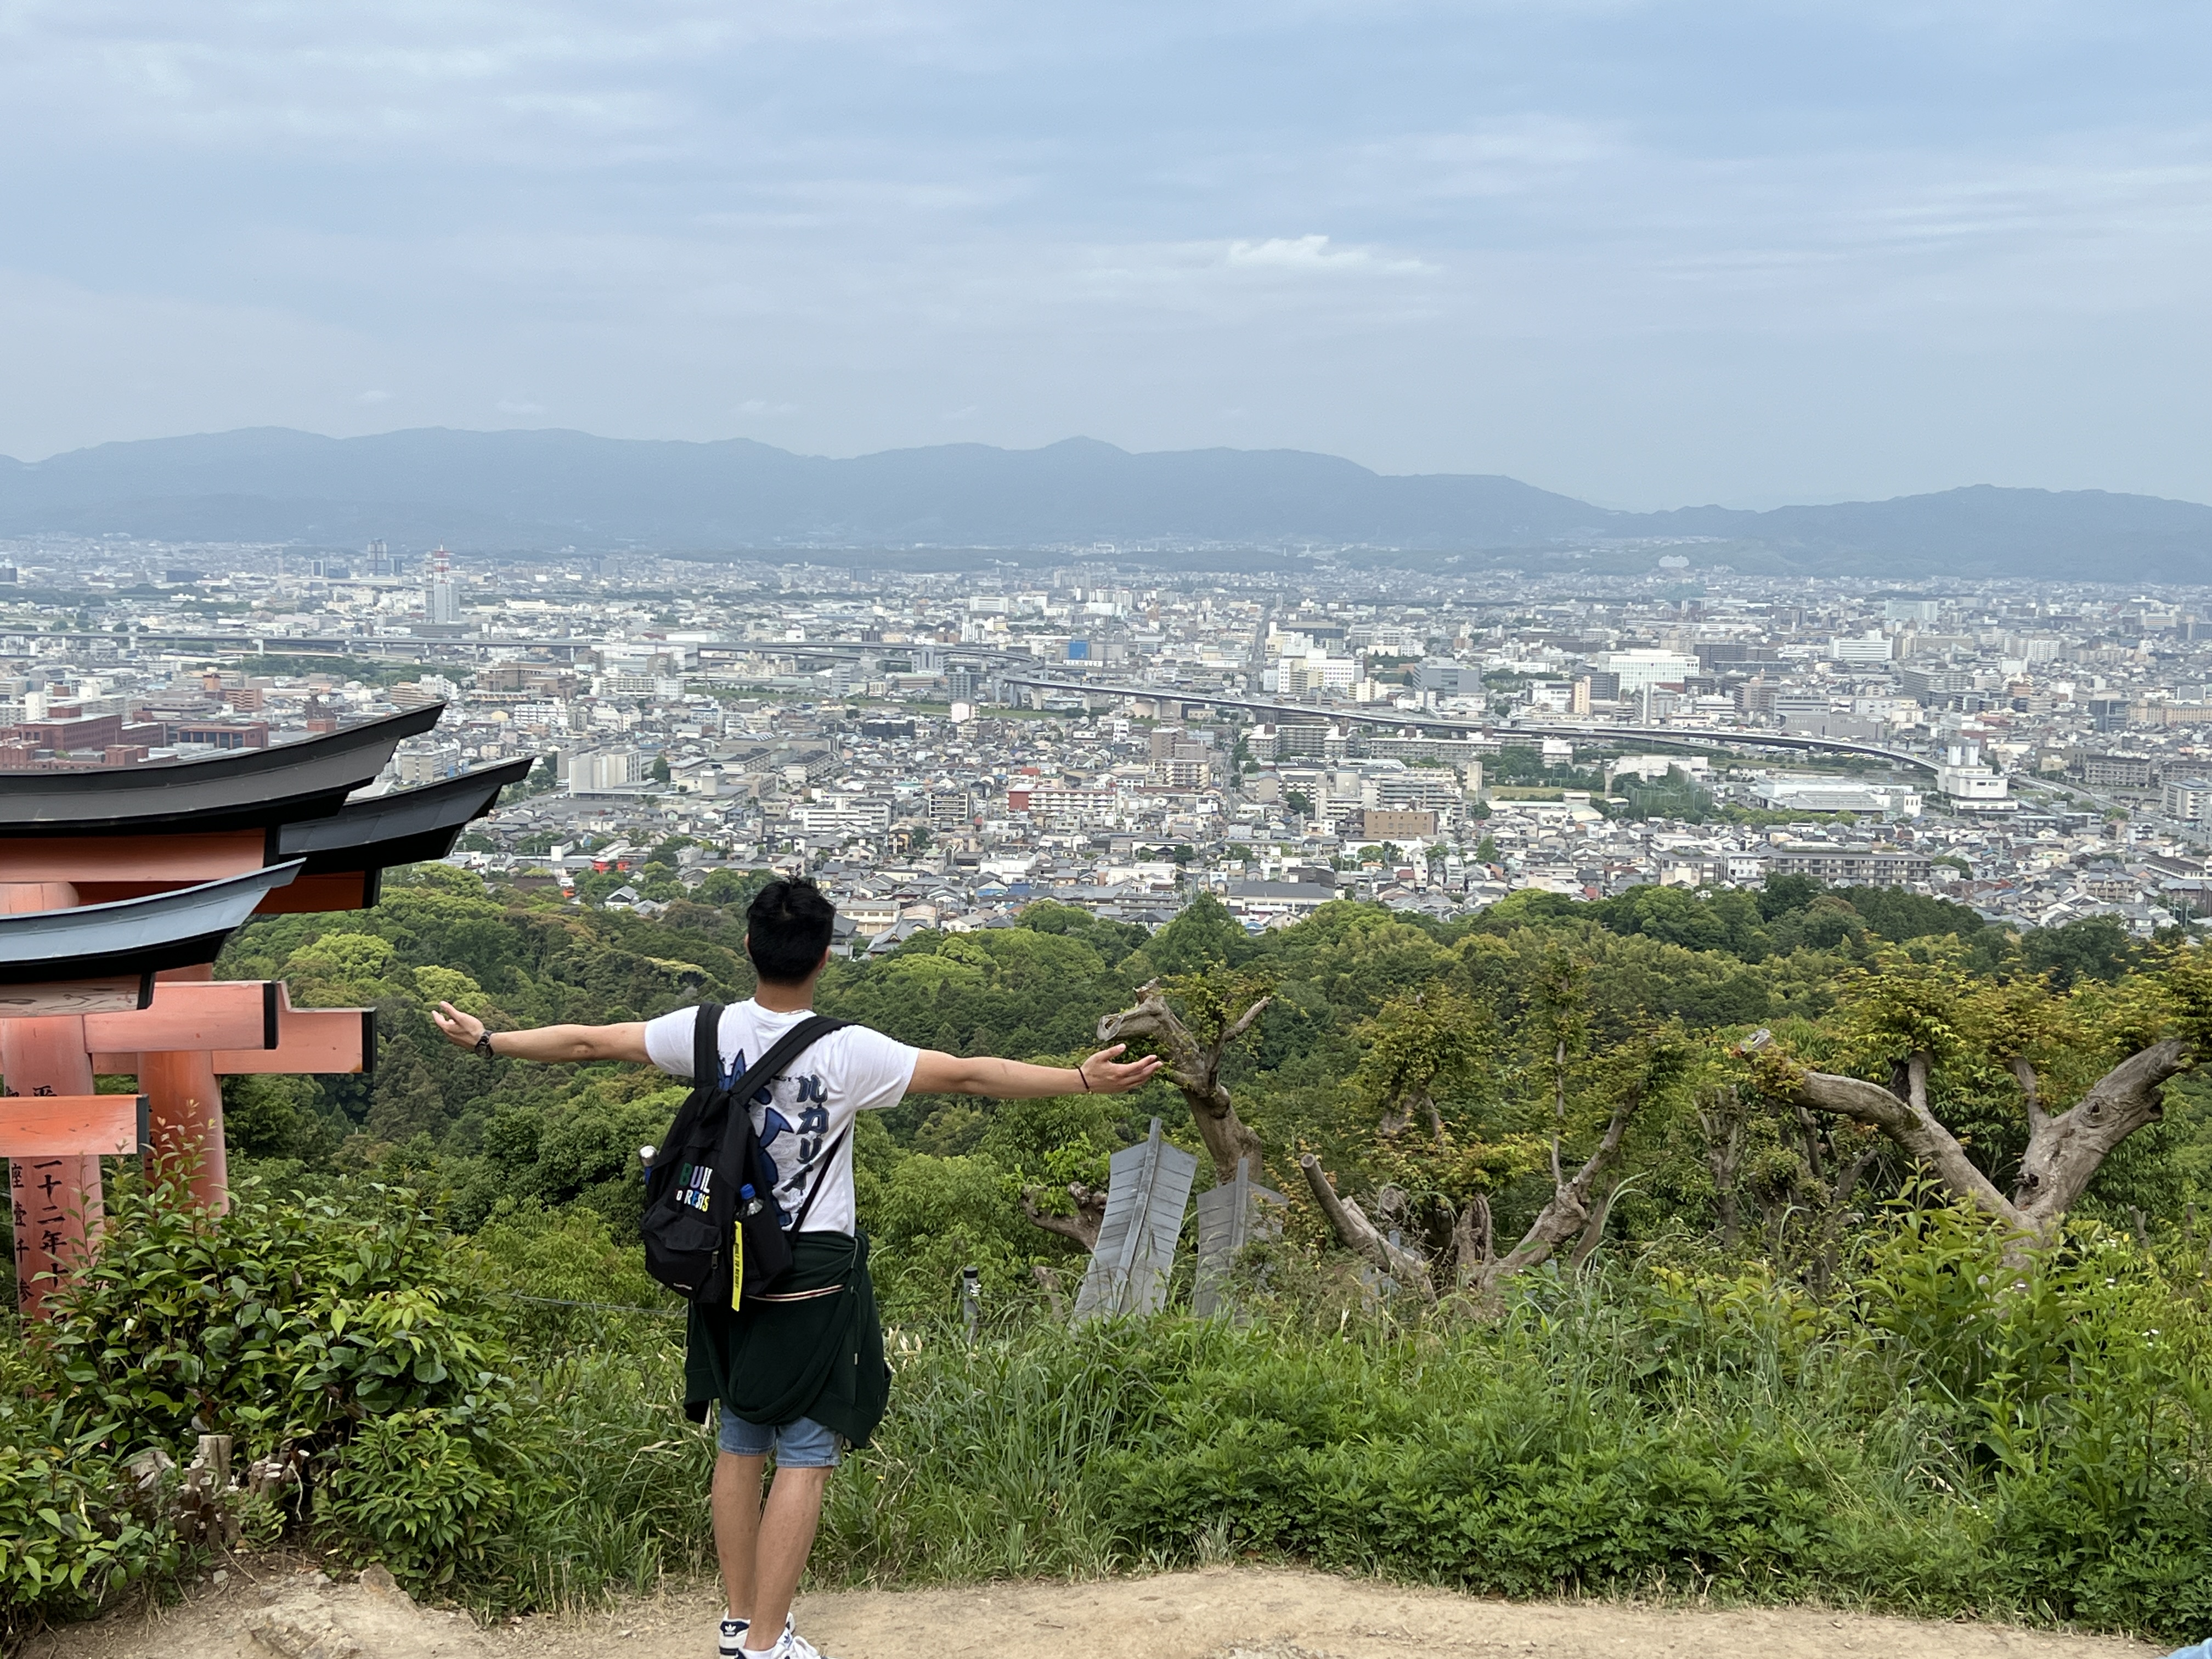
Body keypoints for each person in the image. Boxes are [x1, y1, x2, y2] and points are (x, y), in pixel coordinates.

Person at [432, 876, 1160, 1659]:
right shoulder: (848, 1052)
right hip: (809, 1258)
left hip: (718, 1254)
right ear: (823, 957)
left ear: (748, 948)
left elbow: (588, 1040)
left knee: (741, 1435)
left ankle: (740, 1621)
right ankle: (768, 1644)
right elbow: (970, 1072)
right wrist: (1081, 1080)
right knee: (807, 1449)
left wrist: (488, 1041)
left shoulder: (703, 1032)